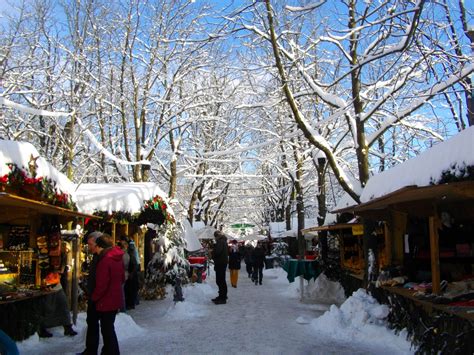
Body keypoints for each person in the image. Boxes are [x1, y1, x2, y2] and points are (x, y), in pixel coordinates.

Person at [91, 234, 125, 355]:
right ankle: (109, 351)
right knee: (109, 327)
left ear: (101, 247)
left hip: (106, 300)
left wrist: (94, 297)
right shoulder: (117, 258)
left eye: (97, 247)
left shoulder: (105, 261)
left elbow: (101, 284)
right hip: (115, 298)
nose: (96, 250)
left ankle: (112, 352)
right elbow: (122, 278)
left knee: (107, 329)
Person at [79, 231, 102, 355]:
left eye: (90, 244)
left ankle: (92, 350)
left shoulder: (102, 257)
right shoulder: (96, 256)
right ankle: (90, 349)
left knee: (100, 325)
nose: (89, 246)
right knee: (92, 323)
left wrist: (95, 295)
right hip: (94, 294)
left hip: (98, 296)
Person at [119, 236, 139, 310]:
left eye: (124, 243)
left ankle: (128, 304)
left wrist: (131, 273)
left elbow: (134, 262)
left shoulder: (130, 251)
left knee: (128, 290)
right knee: (126, 290)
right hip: (127, 273)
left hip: (129, 273)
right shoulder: (128, 251)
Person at [211, 231, 228, 304]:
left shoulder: (220, 242)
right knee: (221, 280)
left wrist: (212, 251)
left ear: (217, 236)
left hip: (220, 263)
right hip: (222, 263)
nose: (214, 238)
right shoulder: (223, 241)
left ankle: (223, 298)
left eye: (215, 236)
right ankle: (222, 296)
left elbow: (217, 252)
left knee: (220, 280)